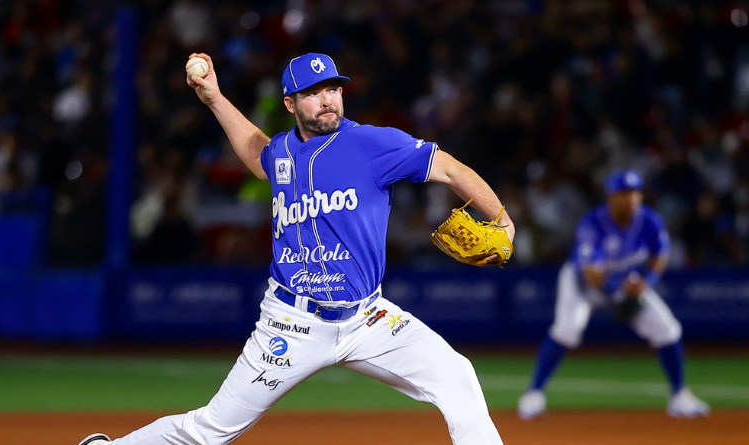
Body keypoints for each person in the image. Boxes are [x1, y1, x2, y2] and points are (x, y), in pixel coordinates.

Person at [78, 52, 514, 445]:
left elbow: (451, 170)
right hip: (292, 322)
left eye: (333, 89)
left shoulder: (373, 145)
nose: (327, 100)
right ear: (290, 104)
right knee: (212, 429)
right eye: (313, 93)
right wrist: (214, 98)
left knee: (456, 376)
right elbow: (257, 153)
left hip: (369, 318)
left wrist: (502, 219)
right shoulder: (282, 151)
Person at [517, 169, 710, 420]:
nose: (631, 198)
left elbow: (660, 255)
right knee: (567, 330)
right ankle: (534, 394)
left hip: (627, 283)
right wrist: (620, 293)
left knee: (667, 329)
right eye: (624, 193)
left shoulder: (649, 220)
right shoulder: (593, 223)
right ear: (610, 197)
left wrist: (645, 283)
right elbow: (592, 273)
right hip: (581, 284)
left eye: (635, 192)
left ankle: (680, 396)